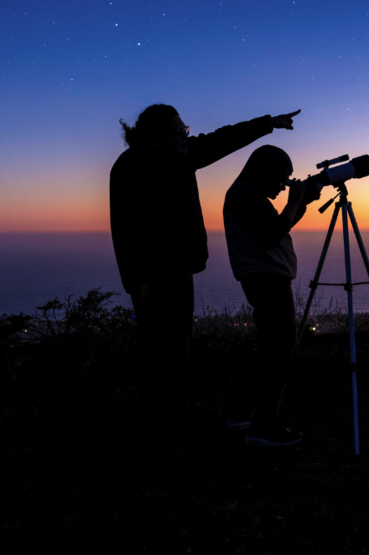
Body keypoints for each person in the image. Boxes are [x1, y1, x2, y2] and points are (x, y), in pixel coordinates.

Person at [110, 105, 301, 435]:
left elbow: (221, 139)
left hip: (181, 266)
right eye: (178, 132)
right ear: (155, 138)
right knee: (153, 341)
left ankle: (177, 405)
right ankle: (153, 416)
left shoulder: (182, 156)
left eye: (185, 130)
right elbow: (125, 229)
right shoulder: (130, 168)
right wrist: (135, 277)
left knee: (180, 337)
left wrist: (266, 124)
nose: (186, 137)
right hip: (150, 274)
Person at [222, 145, 321, 446]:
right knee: (280, 352)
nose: (283, 186)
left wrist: (300, 205)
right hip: (267, 281)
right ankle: (263, 425)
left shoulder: (248, 195)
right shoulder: (244, 194)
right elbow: (271, 235)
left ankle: (241, 415)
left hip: (265, 280)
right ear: (264, 170)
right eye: (282, 178)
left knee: (269, 350)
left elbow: (276, 227)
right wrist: (294, 202)